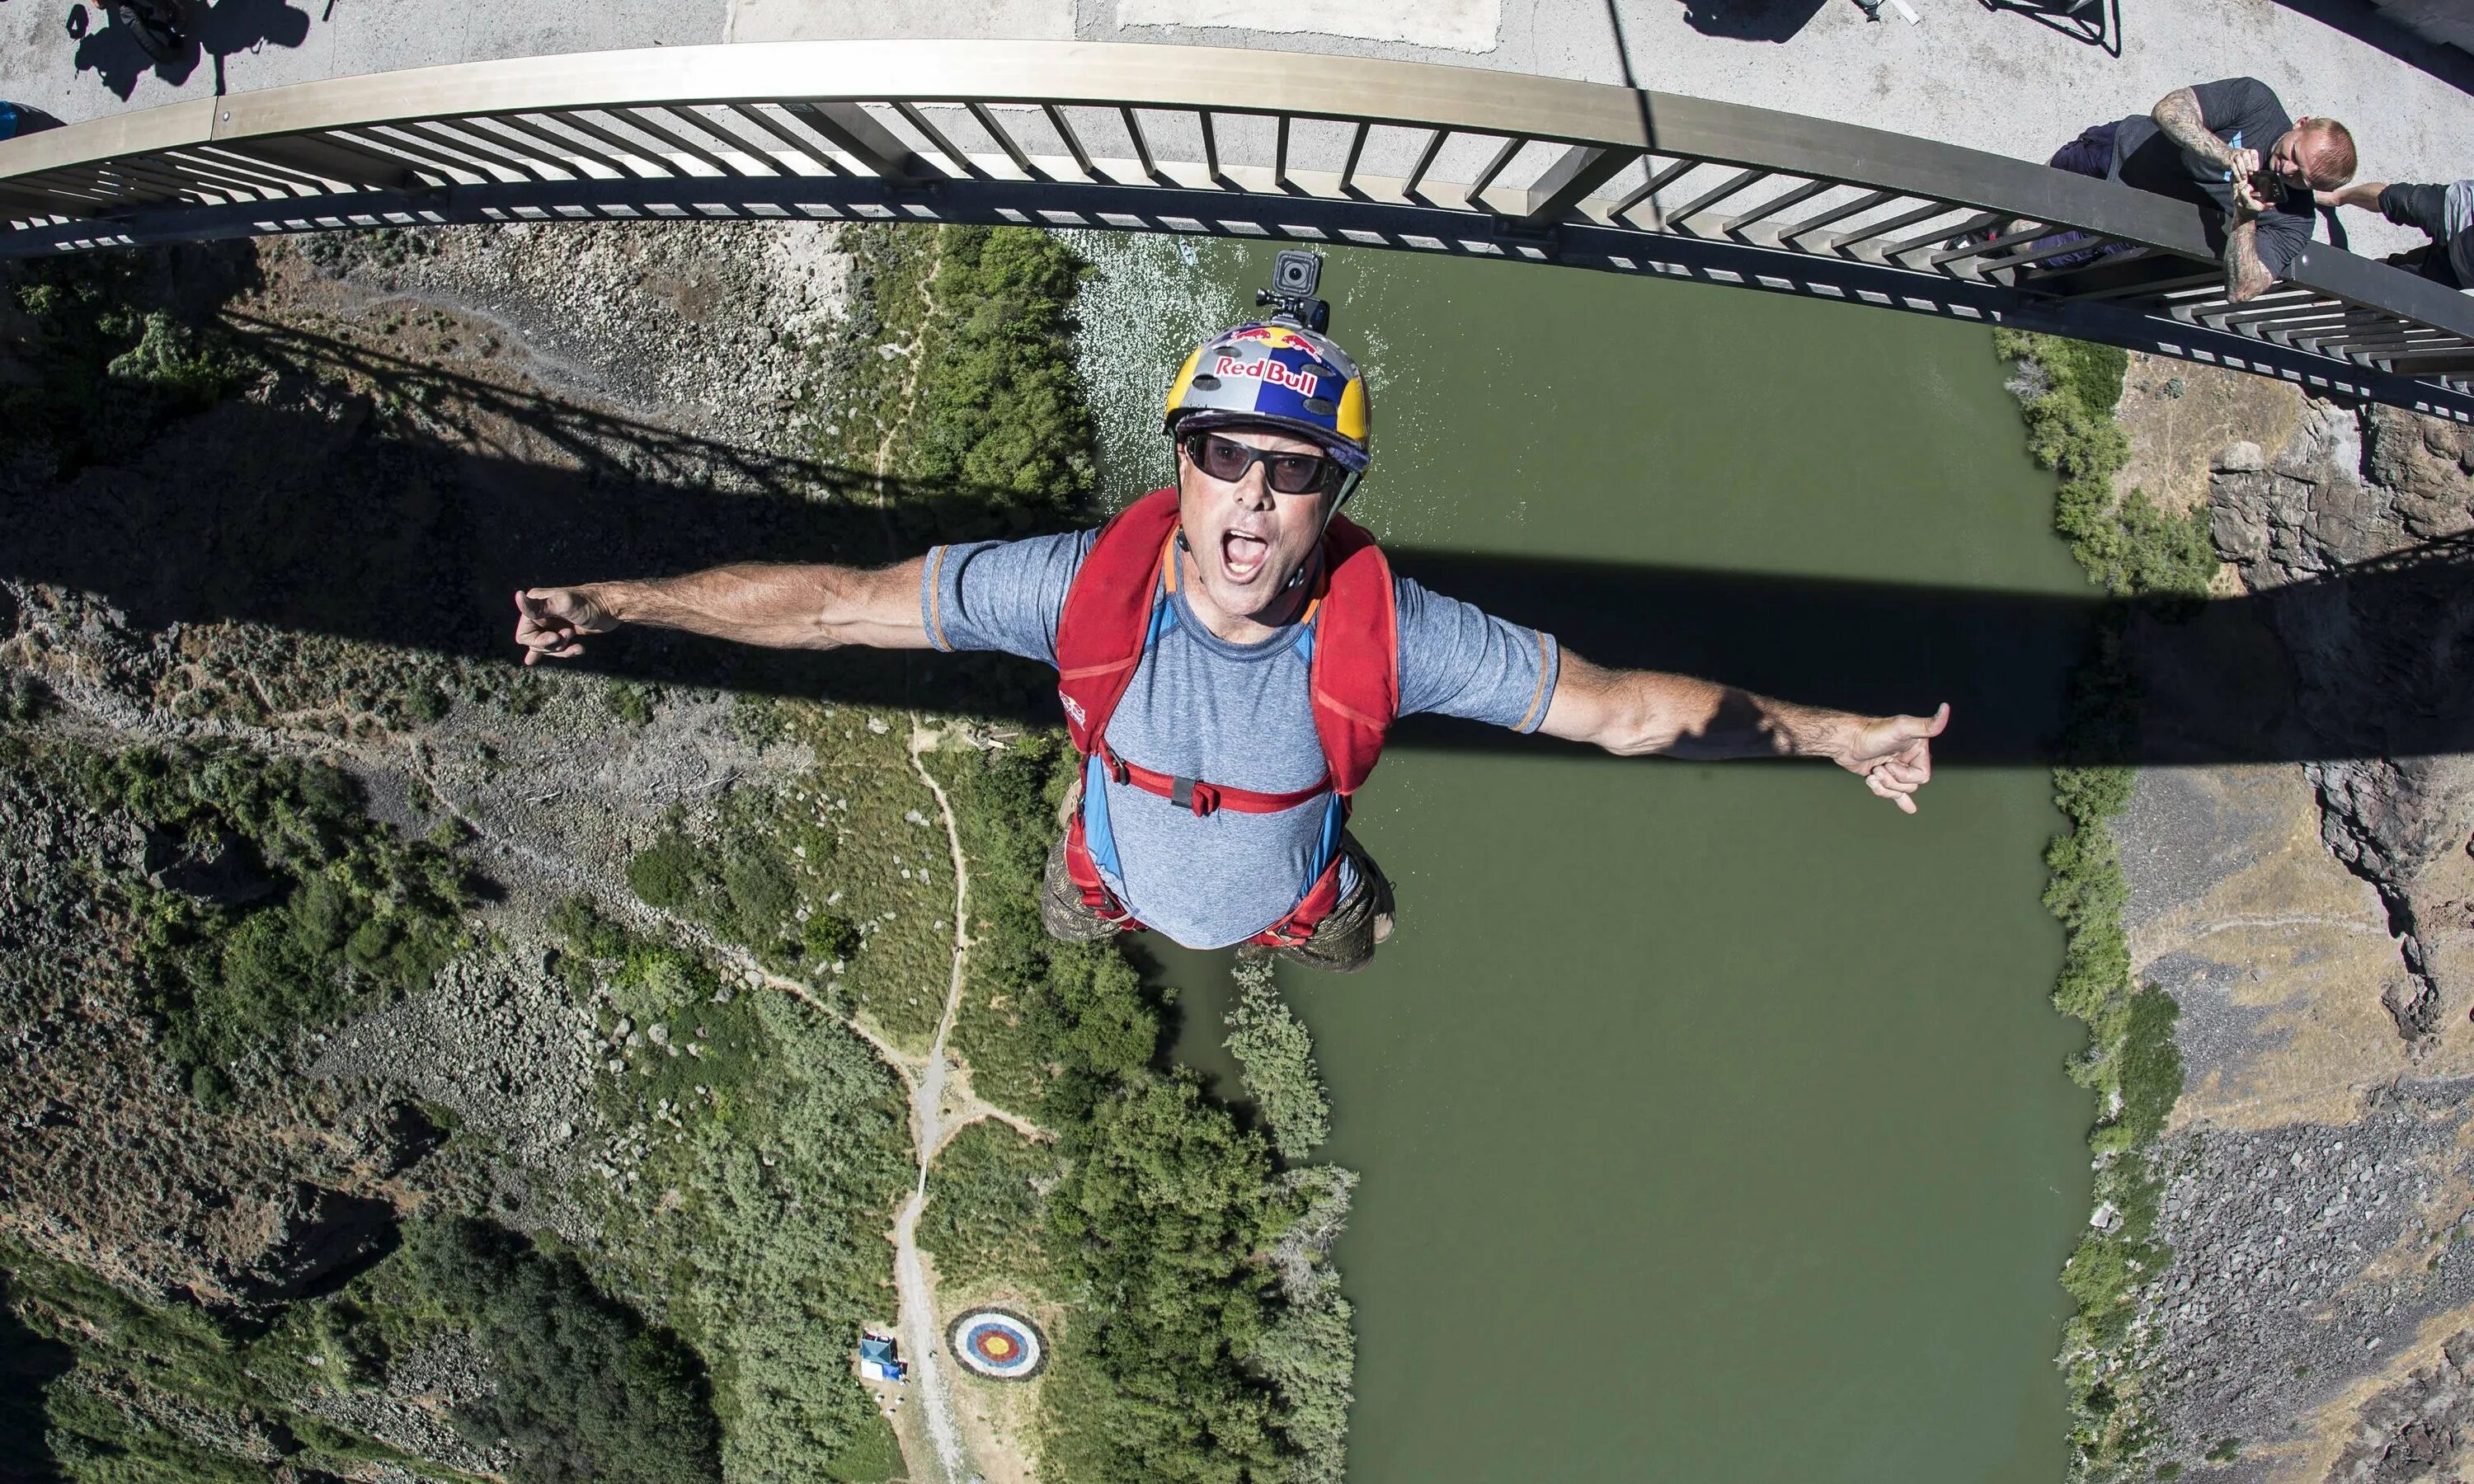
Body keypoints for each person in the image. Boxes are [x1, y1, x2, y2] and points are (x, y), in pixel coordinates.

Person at [514, 322, 1948, 974]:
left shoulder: (1392, 635)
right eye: (1226, 457)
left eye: (1296, 470)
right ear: (1182, 467)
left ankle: (1313, 914)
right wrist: (623, 603)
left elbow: (1632, 713)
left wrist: (1841, 735)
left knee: (1365, 932)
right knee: (1074, 910)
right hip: (1120, 871)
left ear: (1336, 499)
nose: (1256, 496)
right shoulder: (1084, 590)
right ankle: (1129, 906)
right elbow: (833, 602)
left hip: (1289, 888)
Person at [2044, 77, 2357, 303]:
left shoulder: (2296, 220)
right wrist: (2226, 155)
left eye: (2303, 179)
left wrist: (2245, 218)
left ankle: (1998, 237)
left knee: (2039, 250)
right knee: (2045, 181)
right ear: (2300, 124)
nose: (2286, 171)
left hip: (2129, 221)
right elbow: (2169, 110)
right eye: (2294, 156)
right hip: (2120, 151)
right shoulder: (2257, 101)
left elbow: (2243, 290)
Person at [2319, 179, 2473, 293]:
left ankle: (2347, 279)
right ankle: (2337, 197)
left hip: (2461, 268)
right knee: (2390, 198)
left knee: (2392, 275)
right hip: (2458, 206)